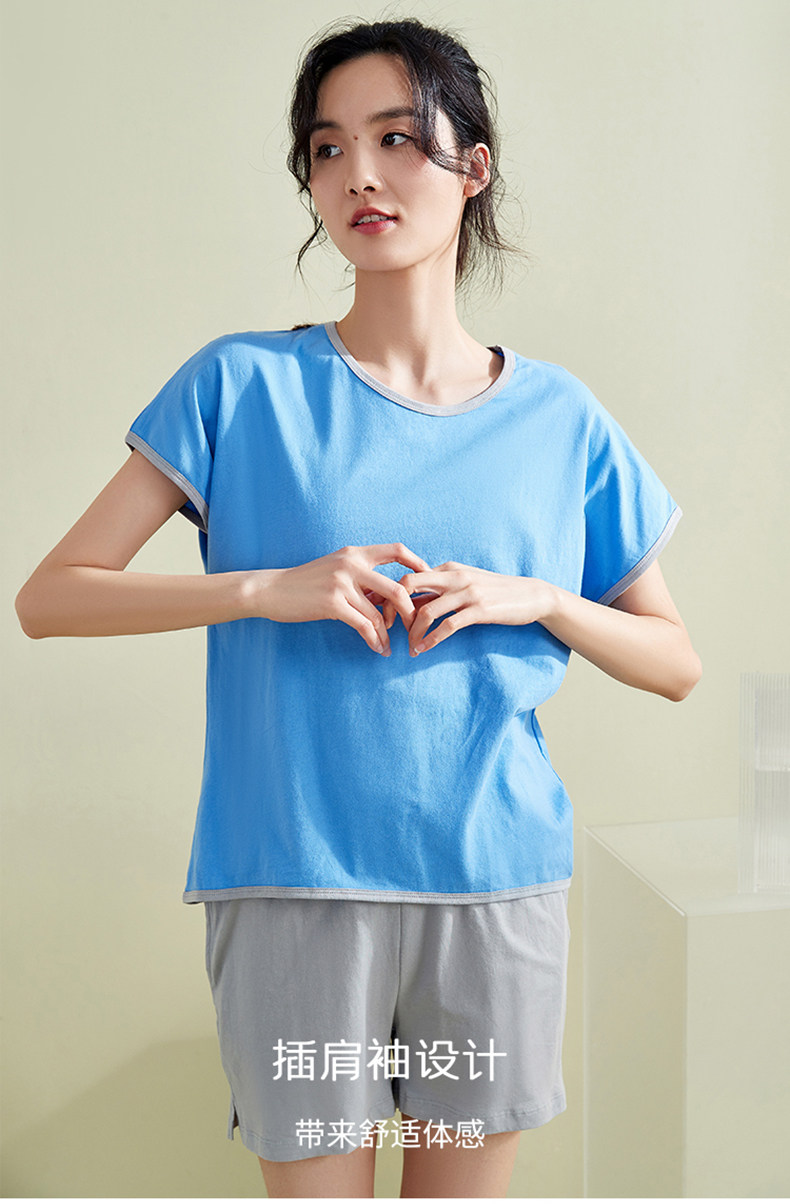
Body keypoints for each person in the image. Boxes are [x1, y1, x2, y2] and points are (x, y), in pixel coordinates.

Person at [15, 15, 702, 1200]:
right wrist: (266, 588)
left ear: (470, 166)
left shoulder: (561, 421)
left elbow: (673, 660)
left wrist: (542, 598)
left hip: (492, 886)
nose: (358, 177)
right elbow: (49, 598)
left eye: (395, 139)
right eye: (326, 149)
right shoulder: (241, 385)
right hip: (293, 882)